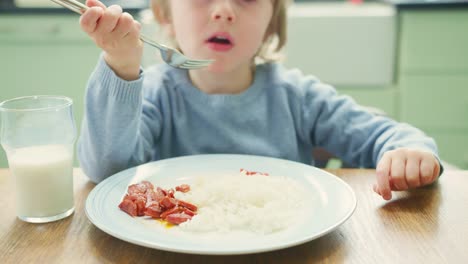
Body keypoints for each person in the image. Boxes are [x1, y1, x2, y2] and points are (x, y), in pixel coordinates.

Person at [77, 0, 442, 201]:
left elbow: (385, 136)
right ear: (165, 14)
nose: (224, 10)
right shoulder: (155, 93)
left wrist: (409, 153)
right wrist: (122, 67)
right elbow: (108, 172)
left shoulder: (297, 97)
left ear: (271, 24)